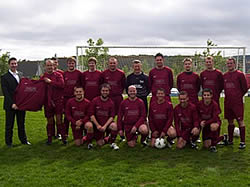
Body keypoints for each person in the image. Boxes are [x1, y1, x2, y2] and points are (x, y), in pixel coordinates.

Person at [1, 57, 31, 147]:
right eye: (12, 64)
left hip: (21, 104)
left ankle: (24, 140)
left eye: (15, 63)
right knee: (9, 125)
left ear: (17, 64)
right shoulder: (4, 77)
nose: (14, 65)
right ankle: (8, 143)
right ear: (9, 65)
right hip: (10, 105)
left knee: (21, 124)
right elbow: (6, 92)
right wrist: (12, 104)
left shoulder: (21, 75)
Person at [223, 57, 248, 149]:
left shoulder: (240, 74)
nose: (229, 65)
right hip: (228, 102)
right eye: (228, 63)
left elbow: (245, 88)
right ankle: (230, 140)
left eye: (231, 63)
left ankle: (242, 142)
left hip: (237, 103)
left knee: (240, 121)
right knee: (230, 121)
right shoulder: (224, 75)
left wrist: (238, 96)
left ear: (234, 64)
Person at [40, 59, 66, 145]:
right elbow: (39, 89)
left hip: (58, 101)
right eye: (48, 65)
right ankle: (49, 138)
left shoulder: (58, 75)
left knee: (59, 120)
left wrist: (51, 82)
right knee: (50, 121)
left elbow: (62, 85)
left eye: (51, 65)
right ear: (45, 67)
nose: (50, 67)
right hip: (47, 102)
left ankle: (63, 138)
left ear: (54, 66)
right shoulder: (43, 76)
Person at [89, 83, 119, 150]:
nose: (105, 92)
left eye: (106, 91)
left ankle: (112, 143)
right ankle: (106, 138)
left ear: (109, 91)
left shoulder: (111, 102)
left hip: (106, 124)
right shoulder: (95, 100)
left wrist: (105, 126)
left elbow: (112, 116)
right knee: (100, 144)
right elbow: (91, 115)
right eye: (103, 90)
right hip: (97, 124)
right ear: (100, 91)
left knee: (115, 126)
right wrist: (97, 125)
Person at [197, 88, 226, 152]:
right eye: (204, 95)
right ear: (202, 96)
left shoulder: (214, 104)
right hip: (205, 124)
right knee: (206, 146)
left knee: (213, 127)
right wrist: (200, 121)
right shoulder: (199, 104)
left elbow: (215, 118)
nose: (206, 97)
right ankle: (223, 137)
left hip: (214, 122)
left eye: (208, 95)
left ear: (211, 96)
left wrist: (205, 123)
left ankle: (213, 146)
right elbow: (197, 115)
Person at [63, 57, 82, 136]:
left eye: (72, 63)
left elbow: (82, 85)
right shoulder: (64, 74)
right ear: (67, 64)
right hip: (66, 98)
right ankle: (65, 134)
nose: (71, 64)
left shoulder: (79, 73)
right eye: (69, 63)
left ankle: (80, 133)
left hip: (76, 98)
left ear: (75, 64)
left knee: (78, 115)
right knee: (66, 116)